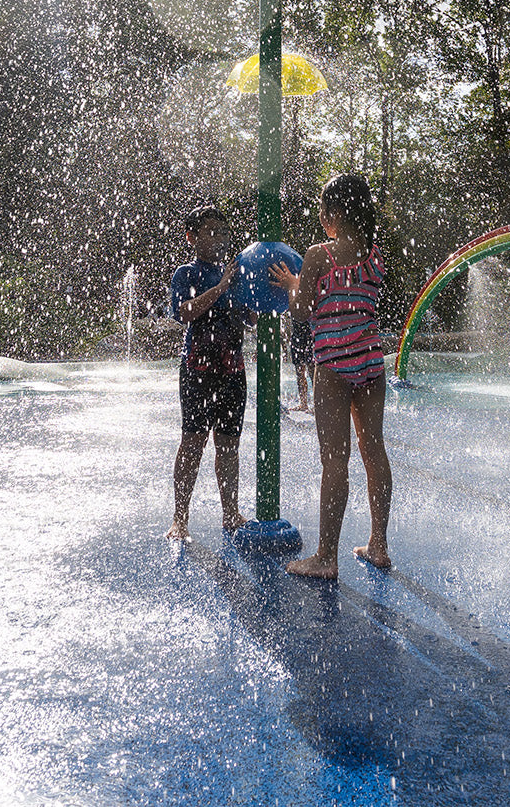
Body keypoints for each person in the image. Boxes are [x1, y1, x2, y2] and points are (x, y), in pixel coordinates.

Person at [270, 173, 391, 578]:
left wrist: (291, 283)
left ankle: (325, 557)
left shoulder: (319, 255)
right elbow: (355, 293)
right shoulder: (374, 253)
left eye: (323, 210)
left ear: (334, 214)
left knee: (335, 461)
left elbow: (303, 310)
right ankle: (378, 545)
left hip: (335, 367)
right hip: (371, 362)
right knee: (373, 451)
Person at [166, 205, 251, 542]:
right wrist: (222, 287)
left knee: (229, 445)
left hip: (233, 371)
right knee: (192, 443)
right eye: (211, 232)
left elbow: (250, 321)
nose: (219, 239)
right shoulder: (186, 273)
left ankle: (230, 512)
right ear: (192, 236)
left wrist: (255, 296)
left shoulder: (234, 273)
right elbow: (184, 312)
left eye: (223, 233)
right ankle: (180, 518)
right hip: (197, 371)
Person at [288, 316, 314, 413]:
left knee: (312, 371)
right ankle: (303, 403)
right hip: (297, 337)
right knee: (299, 372)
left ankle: (317, 403)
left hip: (310, 336)